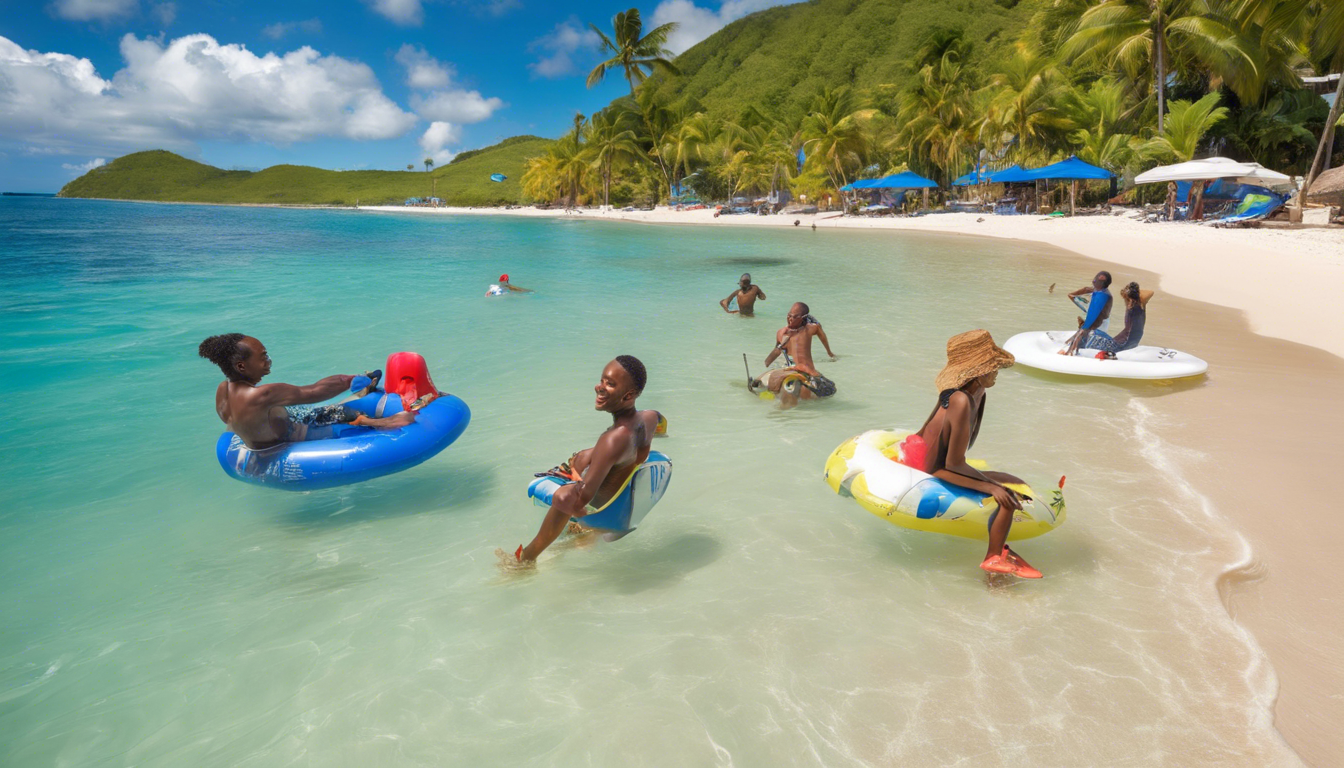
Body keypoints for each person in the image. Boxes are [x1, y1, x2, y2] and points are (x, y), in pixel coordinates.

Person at [895, 330, 1040, 578]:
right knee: (1005, 497)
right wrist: (993, 486)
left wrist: (992, 481)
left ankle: (1000, 552)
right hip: (932, 467)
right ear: (978, 369)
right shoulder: (960, 399)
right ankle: (993, 559)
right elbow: (952, 463)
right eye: (992, 367)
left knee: (1011, 479)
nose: (996, 372)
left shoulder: (977, 393)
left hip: (943, 463)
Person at [504, 356, 663, 564]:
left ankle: (526, 559)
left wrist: (565, 492)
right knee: (584, 456)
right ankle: (578, 534)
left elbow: (577, 502)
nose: (599, 387)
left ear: (629, 395)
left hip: (599, 509)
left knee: (562, 491)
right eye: (602, 380)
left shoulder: (612, 440)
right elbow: (661, 421)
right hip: (618, 491)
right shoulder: (649, 418)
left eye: (610, 384)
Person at [199, 334, 415, 450]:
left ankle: (366, 387)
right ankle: (382, 420)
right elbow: (316, 391)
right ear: (241, 366)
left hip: (261, 444)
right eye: (263, 356)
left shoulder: (222, 391)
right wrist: (350, 380)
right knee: (345, 413)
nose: (267, 361)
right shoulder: (263, 395)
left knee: (299, 412)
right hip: (295, 437)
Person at [754, 302, 837, 408]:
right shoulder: (781, 332)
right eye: (789, 315)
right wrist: (777, 351)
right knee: (760, 380)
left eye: (794, 317)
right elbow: (772, 356)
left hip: (803, 369)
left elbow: (822, 335)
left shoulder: (808, 329)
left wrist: (829, 352)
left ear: (802, 318)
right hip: (793, 368)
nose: (790, 319)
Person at [1084, 282, 1152, 358]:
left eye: (1125, 298)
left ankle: (1078, 351)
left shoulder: (1131, 306)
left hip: (1118, 346)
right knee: (1096, 332)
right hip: (1130, 343)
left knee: (1091, 332)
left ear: (1128, 298)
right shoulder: (1142, 303)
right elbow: (1151, 292)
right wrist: (1134, 291)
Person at [1061, 271, 1113, 355]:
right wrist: (1082, 291)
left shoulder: (1104, 296)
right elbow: (1072, 295)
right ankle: (1071, 347)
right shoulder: (1096, 291)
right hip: (1096, 321)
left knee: (1081, 339)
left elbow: (1100, 316)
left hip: (1100, 324)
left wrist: (1085, 329)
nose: (1094, 282)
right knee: (1078, 337)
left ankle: (1072, 352)